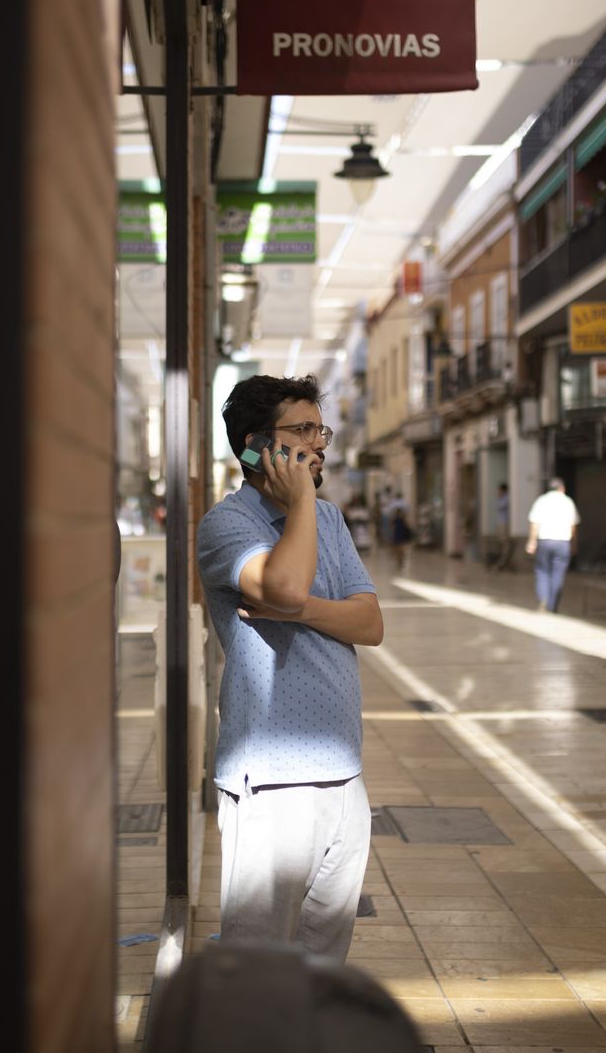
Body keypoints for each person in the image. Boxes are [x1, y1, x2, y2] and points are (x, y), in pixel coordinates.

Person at [196, 374, 385, 960]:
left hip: (344, 775)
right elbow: (279, 581)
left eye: (318, 429)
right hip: (272, 780)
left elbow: (370, 624)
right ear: (255, 446)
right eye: (301, 431)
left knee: (322, 966)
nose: (318, 444)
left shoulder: (327, 520)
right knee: (259, 969)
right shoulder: (227, 525)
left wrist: (298, 607)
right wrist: (301, 500)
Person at [525, 477, 579, 612]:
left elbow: (534, 523)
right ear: (562, 488)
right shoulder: (568, 502)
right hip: (563, 542)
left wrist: (532, 541)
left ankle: (543, 599)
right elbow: (573, 526)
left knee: (542, 571)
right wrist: (574, 543)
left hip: (544, 541)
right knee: (558, 573)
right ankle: (553, 604)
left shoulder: (541, 501)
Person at [487, 483, 516, 572]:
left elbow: (500, 506)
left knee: (505, 542)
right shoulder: (502, 498)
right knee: (500, 542)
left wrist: (499, 497)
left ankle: (504, 561)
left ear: (503, 490)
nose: (498, 492)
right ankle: (502, 561)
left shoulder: (507, 498)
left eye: (499, 490)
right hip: (500, 522)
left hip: (504, 523)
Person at [386, 489, 412, 568]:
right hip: (402, 528)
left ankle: (399, 559)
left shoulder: (393, 504)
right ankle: (401, 559)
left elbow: (390, 516)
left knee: (397, 545)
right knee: (402, 545)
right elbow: (408, 515)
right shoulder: (405, 504)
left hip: (397, 529)